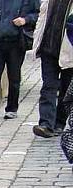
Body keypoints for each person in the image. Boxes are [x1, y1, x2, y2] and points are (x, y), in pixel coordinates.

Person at [0, 0, 39, 122]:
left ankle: (11, 109)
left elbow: (37, 15)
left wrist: (25, 20)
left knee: (14, 77)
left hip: (17, 41)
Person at [32, 0, 73, 137]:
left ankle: (59, 123)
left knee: (65, 90)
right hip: (48, 49)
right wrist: (37, 42)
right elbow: (42, 19)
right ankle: (46, 124)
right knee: (48, 86)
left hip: (69, 52)